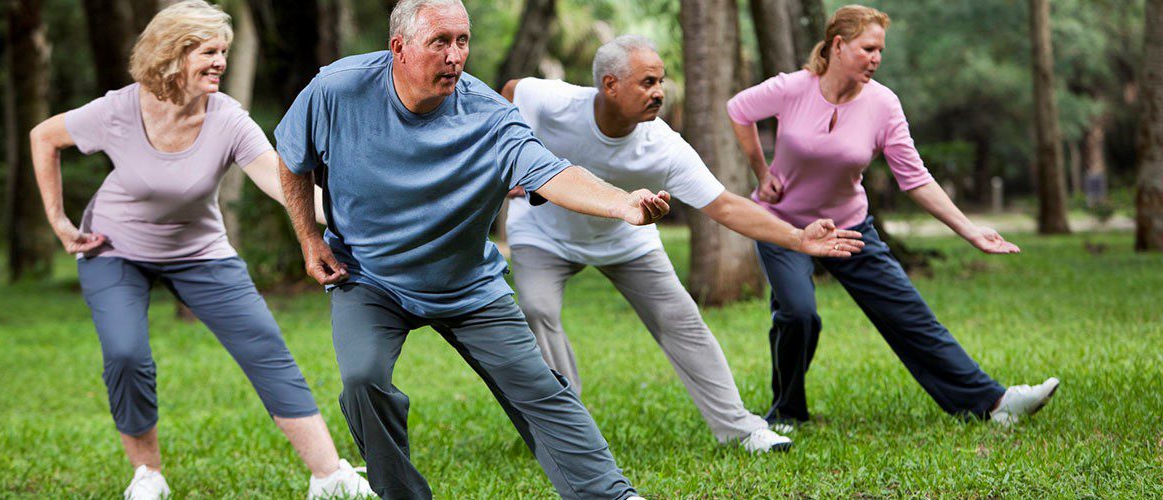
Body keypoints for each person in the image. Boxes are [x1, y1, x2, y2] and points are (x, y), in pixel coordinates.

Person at [274, 1, 667, 498]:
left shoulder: (489, 117)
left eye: (462, 40)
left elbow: (553, 171)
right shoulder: (338, 88)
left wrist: (622, 204)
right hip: (368, 274)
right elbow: (293, 158)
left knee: (540, 391)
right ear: (399, 47)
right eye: (440, 41)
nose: (455, 55)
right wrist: (309, 236)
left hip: (464, 282)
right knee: (362, 381)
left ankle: (612, 494)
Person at [28, 2, 371, 498]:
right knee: (126, 354)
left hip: (199, 249)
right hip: (115, 246)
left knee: (265, 346)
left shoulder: (228, 119)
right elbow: (44, 137)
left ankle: (329, 475)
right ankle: (148, 475)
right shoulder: (119, 109)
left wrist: (362, 214)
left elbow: (283, 184)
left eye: (224, 52)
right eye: (209, 51)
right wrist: (59, 222)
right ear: (173, 53)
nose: (220, 62)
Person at [499, 35, 866, 454]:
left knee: (683, 321)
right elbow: (512, 90)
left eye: (662, 81)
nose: (659, 92)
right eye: (647, 82)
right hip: (544, 232)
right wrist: (511, 158)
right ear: (609, 84)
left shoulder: (663, 146)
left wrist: (798, 237)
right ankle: (567, 431)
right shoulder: (555, 101)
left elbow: (726, 206)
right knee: (538, 309)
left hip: (625, 238)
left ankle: (743, 429)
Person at [726, 4, 1059, 430]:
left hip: (849, 227)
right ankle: (787, 412)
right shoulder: (793, 88)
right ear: (839, 45)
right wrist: (762, 171)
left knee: (910, 316)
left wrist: (970, 231)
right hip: (784, 225)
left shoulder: (883, 104)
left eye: (881, 50)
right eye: (868, 48)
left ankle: (995, 403)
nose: (876, 58)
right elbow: (738, 110)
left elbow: (915, 179)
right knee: (798, 313)